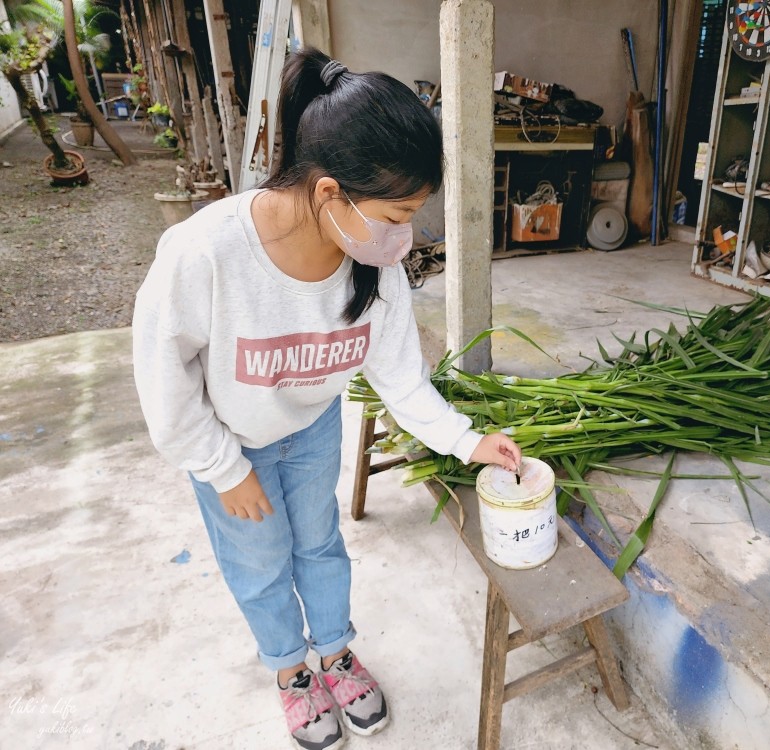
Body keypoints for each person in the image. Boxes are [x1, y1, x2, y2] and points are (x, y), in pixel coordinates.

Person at [132, 47, 521, 750]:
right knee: (258, 564)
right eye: (398, 213)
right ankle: (291, 674)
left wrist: (469, 440)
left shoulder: (374, 268)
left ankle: (336, 653)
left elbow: (402, 377)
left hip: (311, 434)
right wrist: (223, 468)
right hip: (230, 443)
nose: (405, 235)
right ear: (329, 193)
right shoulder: (204, 254)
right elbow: (165, 383)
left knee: (320, 546)